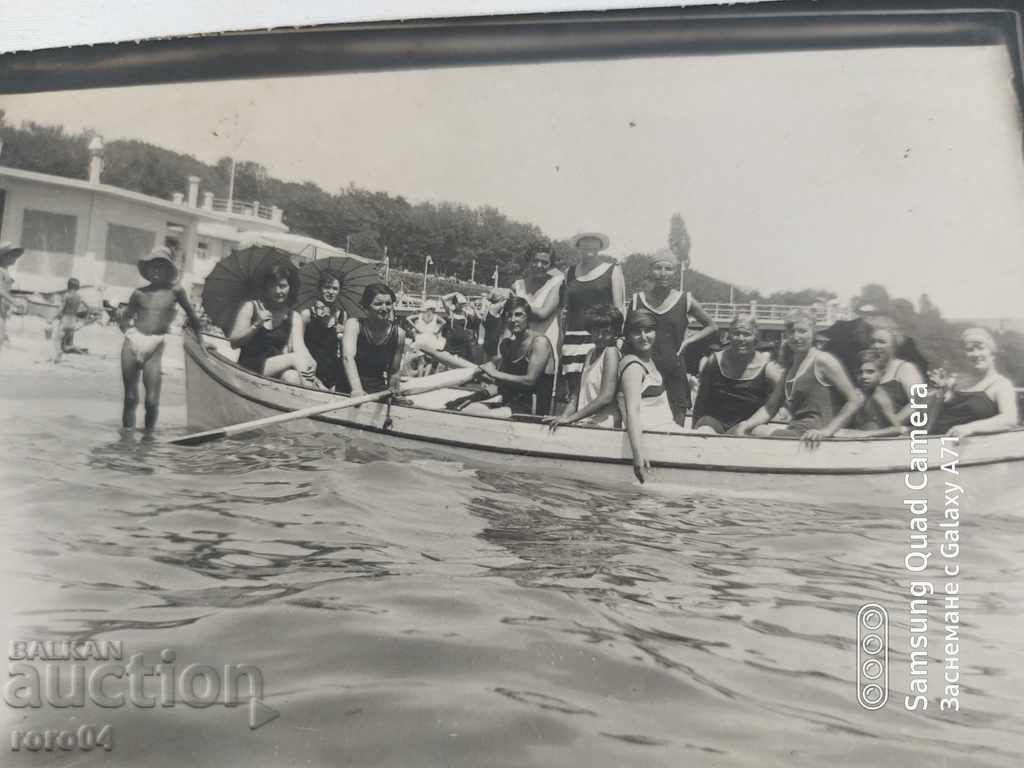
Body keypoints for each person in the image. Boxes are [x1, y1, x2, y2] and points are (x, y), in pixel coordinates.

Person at [735, 310, 862, 445]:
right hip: (796, 433)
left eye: (802, 331)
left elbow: (854, 400)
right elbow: (770, 407)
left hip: (814, 438)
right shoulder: (790, 368)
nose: (796, 337)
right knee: (747, 427)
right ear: (786, 335)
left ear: (813, 333)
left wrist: (828, 431)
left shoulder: (823, 360)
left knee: (758, 431)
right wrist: (746, 424)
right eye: (791, 332)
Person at [628, 250, 718, 427]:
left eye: (668, 269)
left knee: (676, 424)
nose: (663, 273)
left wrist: (688, 341)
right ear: (649, 271)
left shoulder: (685, 299)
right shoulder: (638, 299)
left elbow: (712, 326)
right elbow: (628, 334)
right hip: (644, 371)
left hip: (674, 370)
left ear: (675, 273)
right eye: (658, 268)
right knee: (642, 422)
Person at [119, 246, 204, 430]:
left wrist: (201, 342)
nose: (156, 269)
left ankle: (147, 441)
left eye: (161, 266)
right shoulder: (139, 293)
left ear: (168, 270)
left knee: (151, 400)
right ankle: (126, 441)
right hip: (132, 343)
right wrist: (130, 334)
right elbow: (124, 319)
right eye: (152, 266)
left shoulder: (176, 291)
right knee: (130, 398)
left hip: (155, 344)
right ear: (147, 270)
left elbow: (193, 317)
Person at [445, 297, 553, 417]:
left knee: (479, 418)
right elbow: (500, 386)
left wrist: (494, 373)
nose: (513, 320)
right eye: (508, 315)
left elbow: (530, 380)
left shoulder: (539, 343)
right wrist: (471, 397)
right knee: (463, 409)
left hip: (532, 410)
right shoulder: (507, 345)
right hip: (511, 404)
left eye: (518, 315)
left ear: (528, 317)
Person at [560, 232, 626, 409]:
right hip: (573, 339)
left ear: (600, 245)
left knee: (599, 389)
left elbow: (619, 309)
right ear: (578, 245)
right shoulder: (569, 272)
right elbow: (566, 310)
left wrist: (618, 340)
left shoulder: (613, 269)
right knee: (574, 393)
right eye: (585, 241)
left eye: (594, 241)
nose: (589, 245)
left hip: (600, 338)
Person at [617, 309, 685, 483]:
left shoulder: (648, 360)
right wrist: (638, 455)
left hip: (667, 432)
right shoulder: (633, 366)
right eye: (636, 332)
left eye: (648, 330)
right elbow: (631, 411)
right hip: (654, 438)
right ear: (629, 336)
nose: (643, 336)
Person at [229, 262, 317, 386]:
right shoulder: (252, 307)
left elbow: (300, 349)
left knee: (292, 376)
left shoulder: (294, 316)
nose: (278, 291)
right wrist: (256, 325)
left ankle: (307, 396)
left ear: (290, 287)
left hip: (275, 367)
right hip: (249, 366)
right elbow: (234, 342)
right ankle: (313, 394)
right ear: (265, 287)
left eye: (282, 286)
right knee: (295, 358)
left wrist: (310, 363)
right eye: (273, 286)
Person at [692, 314, 780, 434]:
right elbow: (701, 398)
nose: (741, 338)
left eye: (747, 334)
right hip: (714, 421)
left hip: (749, 424)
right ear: (729, 335)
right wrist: (693, 429)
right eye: (736, 333)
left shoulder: (767, 368)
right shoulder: (714, 361)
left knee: (764, 432)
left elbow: (784, 397)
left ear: (755, 336)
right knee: (704, 432)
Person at [927, 327, 1018, 437]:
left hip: (971, 448)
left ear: (992, 352)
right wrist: (940, 390)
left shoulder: (1001, 385)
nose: (975, 354)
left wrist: (970, 428)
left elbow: (1010, 419)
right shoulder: (955, 381)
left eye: (980, 348)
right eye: (970, 350)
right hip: (934, 440)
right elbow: (930, 416)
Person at [544, 304, 622, 430]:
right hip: (583, 424)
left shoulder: (611, 352)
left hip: (602, 427)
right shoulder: (590, 353)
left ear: (615, 333)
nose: (600, 337)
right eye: (596, 331)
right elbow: (576, 396)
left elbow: (606, 397)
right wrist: (562, 418)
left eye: (606, 332)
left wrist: (570, 418)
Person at [512, 247, 564, 412]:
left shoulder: (557, 282)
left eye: (545, 262)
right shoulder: (518, 285)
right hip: (520, 350)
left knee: (542, 406)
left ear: (551, 265)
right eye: (536, 260)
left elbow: (543, 313)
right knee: (517, 404)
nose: (539, 265)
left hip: (545, 352)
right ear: (529, 261)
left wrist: (516, 301)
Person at [338, 283, 406, 399]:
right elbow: (347, 358)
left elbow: (394, 371)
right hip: (349, 389)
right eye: (378, 304)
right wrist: (357, 389)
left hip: (377, 391)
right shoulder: (353, 325)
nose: (384, 308)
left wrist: (394, 391)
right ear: (366, 306)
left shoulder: (399, 334)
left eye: (388, 304)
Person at [871, 326, 925, 426]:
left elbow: (919, 403)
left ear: (894, 346)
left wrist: (893, 425)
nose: (876, 346)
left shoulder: (905, 368)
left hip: (895, 435)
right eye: (873, 342)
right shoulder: (869, 370)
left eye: (882, 342)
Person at [300, 271, 344, 389]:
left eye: (335, 289)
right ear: (319, 289)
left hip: (333, 375)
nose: (331, 292)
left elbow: (342, 352)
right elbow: (297, 345)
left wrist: (342, 334)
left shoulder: (342, 316)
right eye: (327, 287)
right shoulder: (307, 314)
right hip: (310, 372)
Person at [843, 349, 903, 436]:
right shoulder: (858, 395)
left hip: (878, 443)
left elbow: (897, 429)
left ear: (881, 374)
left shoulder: (880, 397)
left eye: (870, 372)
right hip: (861, 442)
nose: (864, 376)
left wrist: (867, 434)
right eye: (860, 372)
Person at [51, 278, 89, 363]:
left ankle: (58, 356)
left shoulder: (66, 296)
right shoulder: (79, 297)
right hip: (73, 321)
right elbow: (86, 308)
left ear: (68, 286)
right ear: (78, 287)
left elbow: (61, 309)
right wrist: (84, 319)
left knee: (56, 339)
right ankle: (78, 351)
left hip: (65, 320)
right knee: (65, 343)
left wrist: (53, 317)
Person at [408, 299, 445, 376]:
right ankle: (425, 377)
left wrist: (416, 328)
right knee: (429, 360)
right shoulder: (435, 316)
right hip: (431, 338)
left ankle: (420, 377)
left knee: (421, 360)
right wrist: (437, 331)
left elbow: (408, 318)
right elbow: (444, 322)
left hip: (421, 338)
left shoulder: (420, 315)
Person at [441, 292, 482, 363]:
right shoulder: (451, 313)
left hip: (464, 343)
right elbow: (443, 298)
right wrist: (455, 293)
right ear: (455, 303)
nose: (461, 306)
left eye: (462, 304)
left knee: (470, 362)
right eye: (459, 304)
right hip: (452, 342)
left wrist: (474, 308)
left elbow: (479, 319)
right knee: (445, 361)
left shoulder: (466, 314)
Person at [0, 242, 25, 354]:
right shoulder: (0, 271)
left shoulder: (6, 271)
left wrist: (8, 306)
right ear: (4, 256)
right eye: (13, 255)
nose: (15, 258)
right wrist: (14, 302)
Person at [481, 288, 509, 359]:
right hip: (494, 344)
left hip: (487, 342)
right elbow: (508, 301)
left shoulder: (489, 308)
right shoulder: (494, 308)